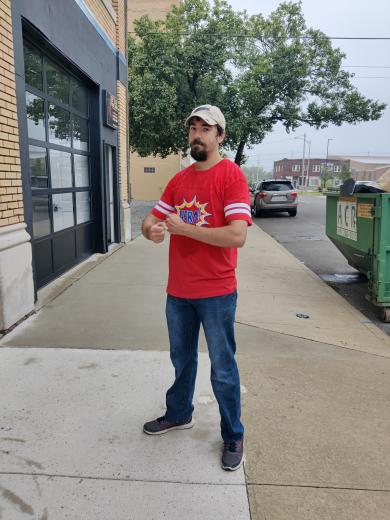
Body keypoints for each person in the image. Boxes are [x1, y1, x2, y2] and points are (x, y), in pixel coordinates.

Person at [141, 105, 252, 471]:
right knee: (182, 359)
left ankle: (233, 434)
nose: (198, 134)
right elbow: (150, 220)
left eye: (206, 128)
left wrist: (184, 229)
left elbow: (237, 236)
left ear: (220, 136)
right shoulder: (179, 181)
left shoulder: (231, 176)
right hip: (179, 292)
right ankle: (179, 414)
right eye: (193, 128)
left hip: (217, 292)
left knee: (222, 368)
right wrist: (151, 230)